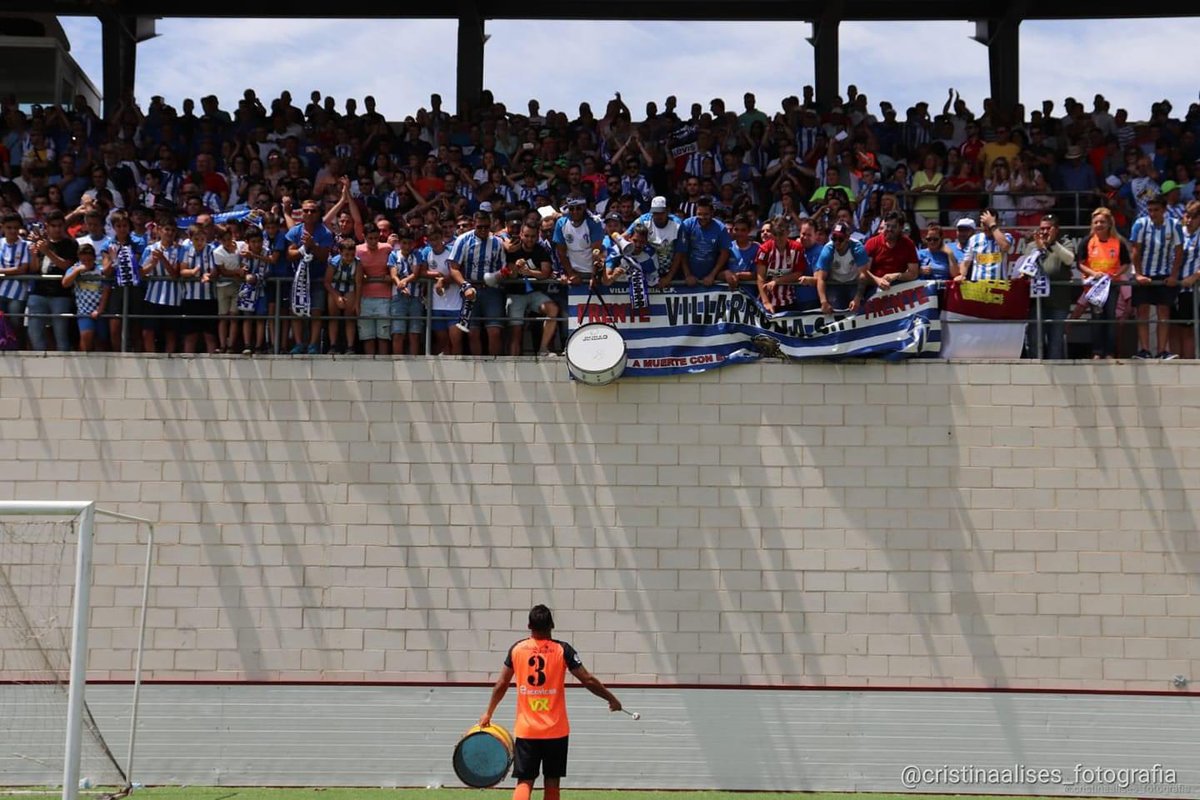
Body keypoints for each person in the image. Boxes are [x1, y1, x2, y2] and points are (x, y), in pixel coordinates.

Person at [479, 605, 622, 800]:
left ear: (529, 625)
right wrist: (611, 698)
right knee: (552, 781)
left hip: (527, 730)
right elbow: (587, 679)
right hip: (556, 730)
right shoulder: (563, 650)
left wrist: (489, 713)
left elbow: (501, 683)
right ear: (552, 625)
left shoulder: (517, 649)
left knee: (525, 781)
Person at [1129, 194, 1184, 359]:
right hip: (1144, 272)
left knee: (1163, 311)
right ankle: (1145, 350)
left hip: (1163, 273)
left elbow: (1179, 252)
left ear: (1164, 209)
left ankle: (1162, 351)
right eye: (1150, 210)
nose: (1152, 213)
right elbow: (1135, 251)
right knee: (1143, 310)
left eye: (1156, 210)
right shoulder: (1140, 224)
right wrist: (1138, 274)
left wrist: (1174, 275)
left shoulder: (1174, 225)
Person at [1075, 207, 1131, 360]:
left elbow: (1126, 262)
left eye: (1102, 222)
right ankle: (1097, 351)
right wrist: (1094, 274)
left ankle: (1110, 352)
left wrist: (1117, 274)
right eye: (1096, 222)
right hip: (1095, 286)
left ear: (1109, 223)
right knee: (1097, 317)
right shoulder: (1088, 241)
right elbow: (1079, 263)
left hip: (1112, 285)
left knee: (1110, 317)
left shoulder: (1118, 241)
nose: (1099, 225)